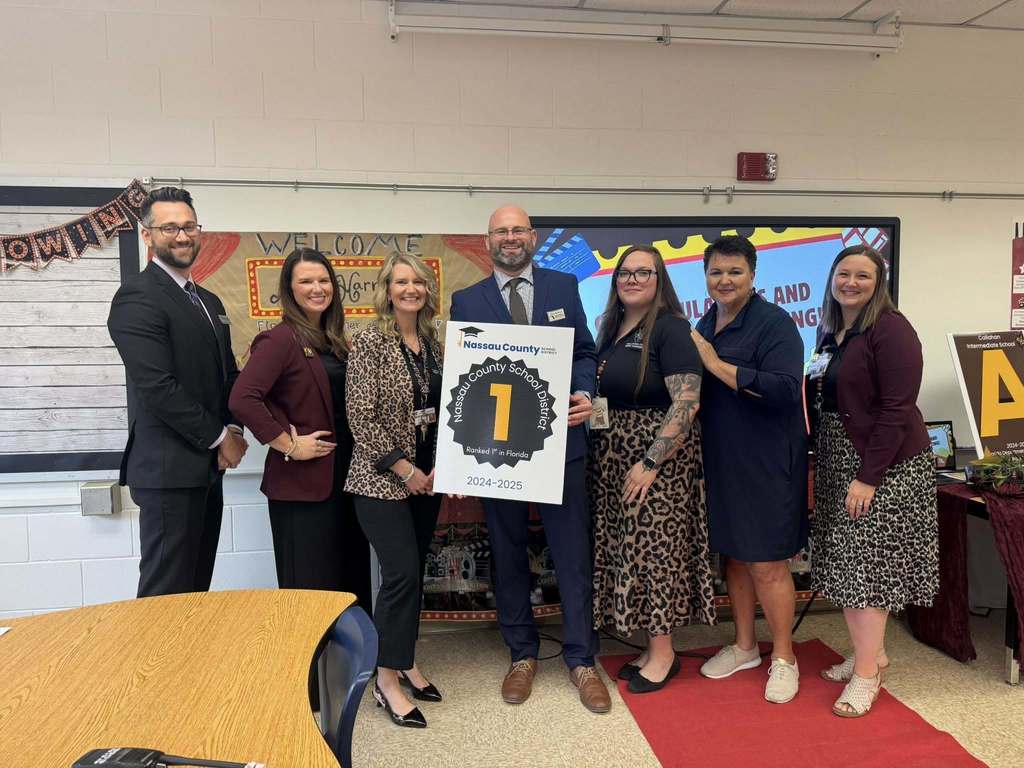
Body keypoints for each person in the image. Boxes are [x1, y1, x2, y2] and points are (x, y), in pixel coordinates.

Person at [449, 204, 611, 715]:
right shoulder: (465, 300)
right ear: (487, 240)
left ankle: (582, 659)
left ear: (533, 237)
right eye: (502, 231)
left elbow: (584, 351)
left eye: (519, 229)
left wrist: (585, 392)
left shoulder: (564, 288)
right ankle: (521, 654)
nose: (511, 237)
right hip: (498, 453)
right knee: (508, 550)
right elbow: (462, 375)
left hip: (562, 446)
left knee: (571, 554)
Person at [806, 245, 938, 718]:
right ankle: (871, 653)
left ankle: (867, 674)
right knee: (848, 566)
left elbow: (896, 410)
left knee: (868, 570)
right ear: (832, 279)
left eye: (863, 275)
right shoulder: (832, 331)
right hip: (842, 460)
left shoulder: (892, 329)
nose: (852, 283)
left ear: (878, 281)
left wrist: (867, 478)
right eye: (844, 274)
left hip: (884, 467)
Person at [108, 186, 247, 598]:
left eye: (189, 226)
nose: (183, 236)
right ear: (147, 235)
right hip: (169, 473)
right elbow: (157, 386)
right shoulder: (137, 297)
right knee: (165, 595)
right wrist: (221, 438)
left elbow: (228, 374)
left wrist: (235, 426)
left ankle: (187, 665)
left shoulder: (207, 300)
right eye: (170, 228)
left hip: (207, 470)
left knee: (195, 591)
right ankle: (151, 667)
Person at [589, 244, 715, 695]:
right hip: (613, 454)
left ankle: (664, 654)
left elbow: (687, 401)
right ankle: (649, 646)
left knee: (656, 553)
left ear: (660, 280)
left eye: (644, 273)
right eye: (625, 273)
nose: (633, 280)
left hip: (657, 460)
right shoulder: (611, 327)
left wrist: (649, 464)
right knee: (630, 550)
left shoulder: (670, 328)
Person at [690, 235, 809, 704]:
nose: (725, 280)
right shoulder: (707, 320)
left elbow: (783, 388)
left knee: (766, 562)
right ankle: (745, 647)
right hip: (722, 459)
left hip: (766, 459)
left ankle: (784, 656)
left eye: (735, 272)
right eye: (716, 272)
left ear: (754, 275)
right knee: (734, 556)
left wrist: (714, 363)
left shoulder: (775, 323)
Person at [228, 248, 371, 608]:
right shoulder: (279, 340)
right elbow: (243, 399)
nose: (317, 288)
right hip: (303, 488)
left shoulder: (337, 341)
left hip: (347, 480)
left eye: (323, 280)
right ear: (290, 289)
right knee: (310, 592)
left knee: (350, 582)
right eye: (306, 281)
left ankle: (351, 664)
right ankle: (310, 665)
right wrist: (288, 444)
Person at [345, 252, 444, 729]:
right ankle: (385, 680)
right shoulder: (369, 342)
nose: (411, 289)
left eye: (418, 282)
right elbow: (360, 419)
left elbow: (449, 409)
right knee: (400, 573)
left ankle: (405, 660)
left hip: (426, 480)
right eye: (401, 282)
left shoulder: (432, 343)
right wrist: (406, 470)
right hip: (380, 479)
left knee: (414, 572)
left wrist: (443, 465)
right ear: (387, 290)